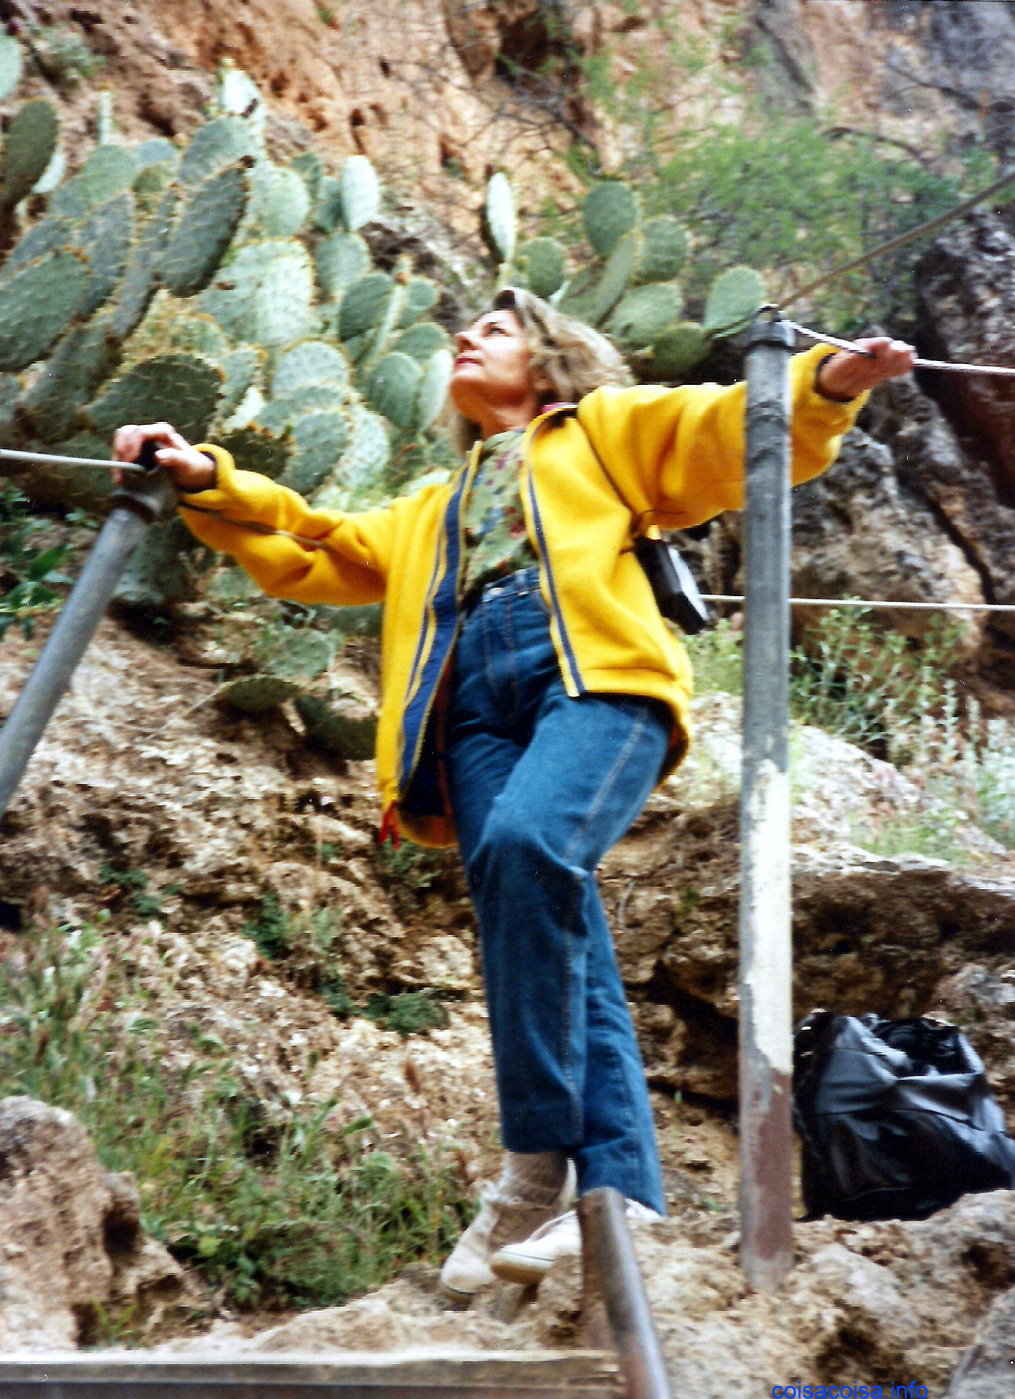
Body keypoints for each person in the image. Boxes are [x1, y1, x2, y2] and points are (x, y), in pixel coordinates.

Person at [113, 288, 916, 1302]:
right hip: (471, 711)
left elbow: (717, 428)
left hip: (589, 678)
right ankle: (609, 1194)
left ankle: (535, 1170)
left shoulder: (605, 433)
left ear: (547, 363)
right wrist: (204, 477)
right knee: (531, 904)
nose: (464, 338)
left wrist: (825, 381)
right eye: (464, 331)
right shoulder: (428, 505)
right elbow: (311, 548)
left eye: (492, 331)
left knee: (535, 848)